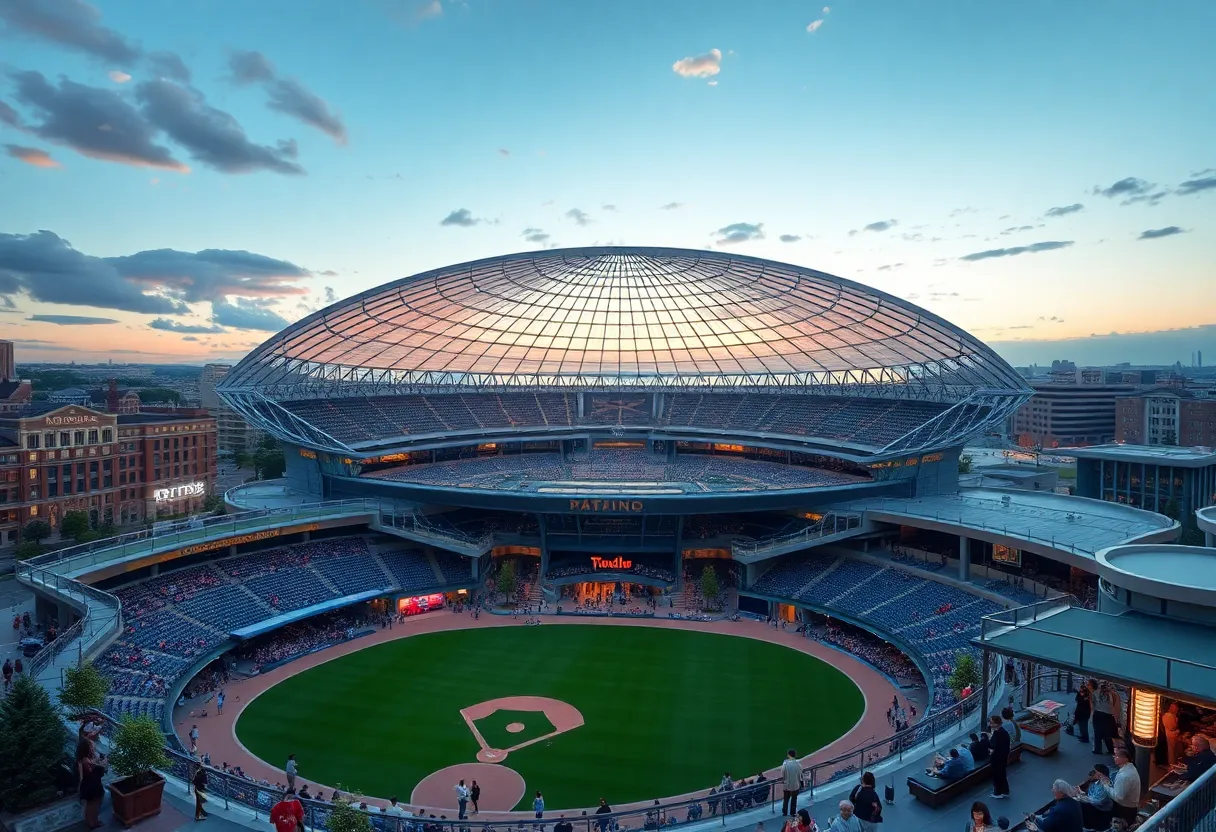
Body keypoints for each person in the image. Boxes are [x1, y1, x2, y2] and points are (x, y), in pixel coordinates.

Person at [77, 739, 106, 830]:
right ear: (87, 748)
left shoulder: (84, 759)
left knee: (92, 803)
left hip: (91, 784)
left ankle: (91, 821)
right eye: (92, 746)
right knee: (94, 803)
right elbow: (95, 767)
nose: (94, 747)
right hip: (92, 785)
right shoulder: (86, 760)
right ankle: (93, 822)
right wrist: (103, 762)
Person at [1075, 764, 1113, 831]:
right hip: (1095, 805)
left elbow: (1096, 801)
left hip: (1102, 810)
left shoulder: (1104, 786)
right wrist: (1080, 793)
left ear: (1100, 775)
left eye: (1093, 772)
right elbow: (1091, 796)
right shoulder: (1094, 782)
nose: (1091, 773)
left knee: (1080, 805)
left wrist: (1080, 797)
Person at [1108, 746, 1141, 824]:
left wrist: (1106, 785)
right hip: (1130, 808)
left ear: (1124, 759)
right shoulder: (1131, 768)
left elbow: (1118, 797)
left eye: (1116, 755)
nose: (1114, 757)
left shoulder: (1124, 776)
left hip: (1124, 810)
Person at [989, 715, 1011, 799]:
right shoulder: (1003, 732)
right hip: (1003, 757)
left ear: (996, 723)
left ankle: (998, 792)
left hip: (997, 758)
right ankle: (1005, 791)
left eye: (991, 722)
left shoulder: (997, 733)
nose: (990, 724)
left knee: (997, 775)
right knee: (1002, 775)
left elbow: (993, 745)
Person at [781, 748, 802, 816]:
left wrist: (784, 779)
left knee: (786, 799)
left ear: (788, 755)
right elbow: (800, 773)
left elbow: (783, 773)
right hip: (796, 785)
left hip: (787, 785)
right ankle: (792, 812)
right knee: (794, 799)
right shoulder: (798, 763)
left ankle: (785, 812)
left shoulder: (785, 763)